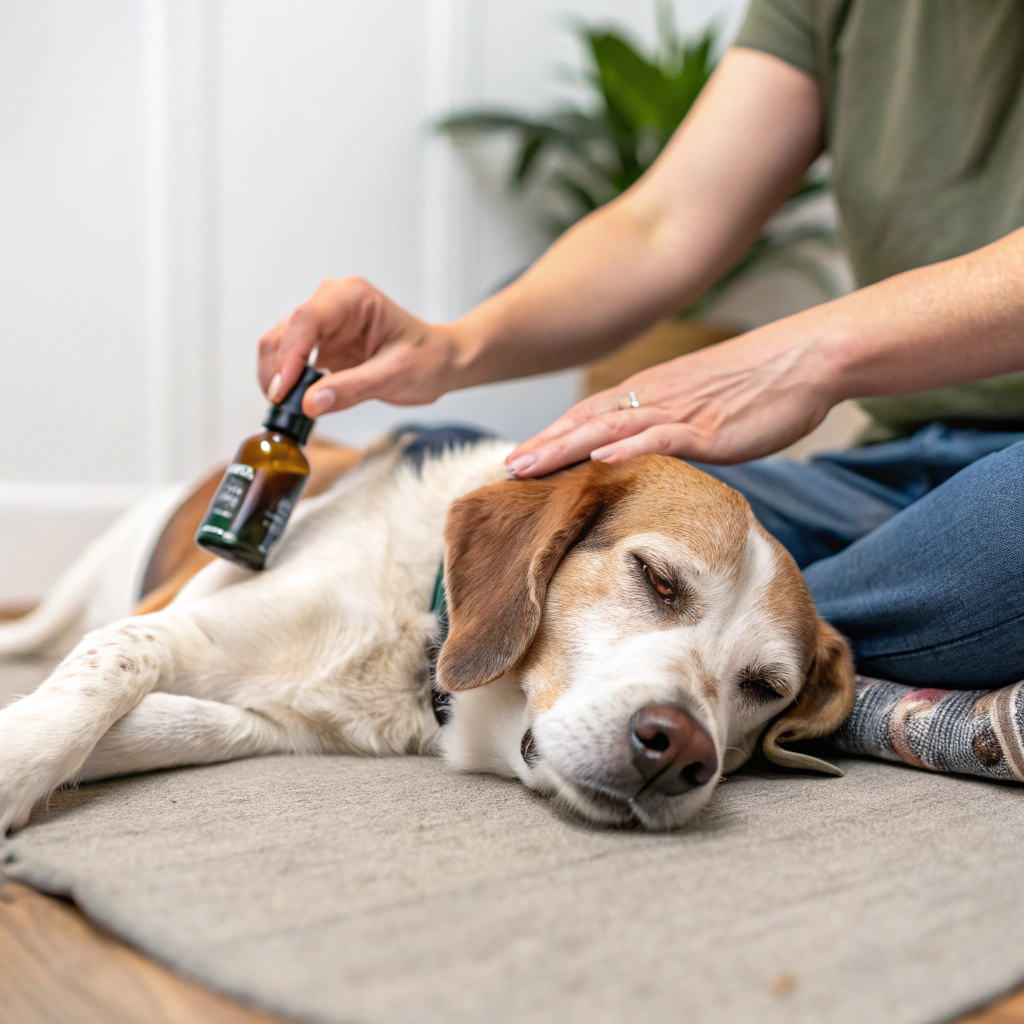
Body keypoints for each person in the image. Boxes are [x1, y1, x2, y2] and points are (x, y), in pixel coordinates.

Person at [257, 2, 1024, 691]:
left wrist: (811, 354)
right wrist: (453, 348)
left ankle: (804, 680)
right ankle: (779, 682)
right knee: (484, 481)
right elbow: (663, 225)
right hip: (891, 474)